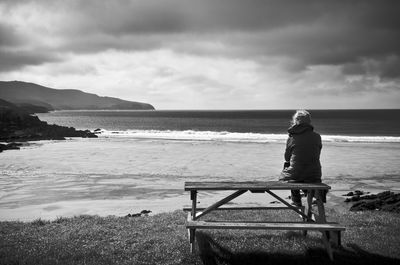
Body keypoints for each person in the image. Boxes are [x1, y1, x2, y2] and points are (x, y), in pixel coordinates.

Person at [280, 110, 322, 206]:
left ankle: (296, 199)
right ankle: (309, 193)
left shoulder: (292, 138)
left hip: (296, 175)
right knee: (308, 165)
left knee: (288, 165)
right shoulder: (317, 136)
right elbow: (317, 154)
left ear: (295, 121)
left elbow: (287, 158)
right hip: (314, 175)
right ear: (309, 122)